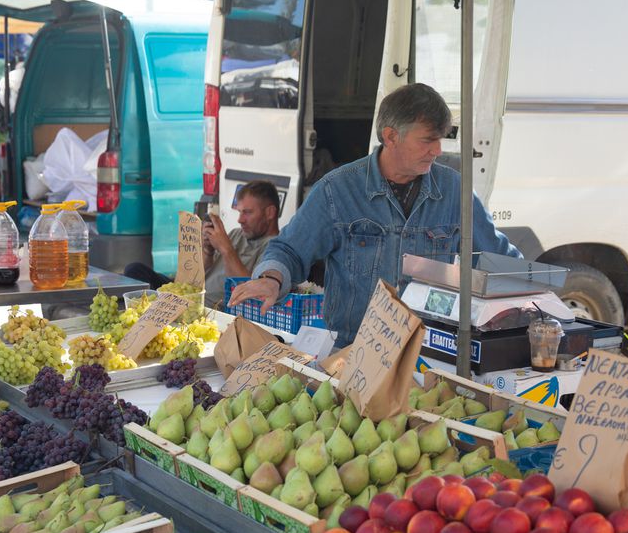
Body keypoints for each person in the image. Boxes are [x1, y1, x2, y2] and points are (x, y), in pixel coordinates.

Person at [228, 83, 520, 345]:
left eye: (440, 139)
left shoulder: (454, 190)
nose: (437, 150)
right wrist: (271, 278)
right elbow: (288, 249)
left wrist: (537, 294)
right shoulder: (337, 190)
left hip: (429, 351)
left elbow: (497, 256)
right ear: (391, 136)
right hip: (350, 351)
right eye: (427, 140)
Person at [123, 180, 281, 307]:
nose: (240, 220)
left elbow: (251, 292)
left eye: (247, 212)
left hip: (209, 306)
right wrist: (207, 251)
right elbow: (197, 275)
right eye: (239, 212)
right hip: (190, 292)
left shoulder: (274, 248)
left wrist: (226, 249)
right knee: (134, 270)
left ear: (269, 213)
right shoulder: (236, 234)